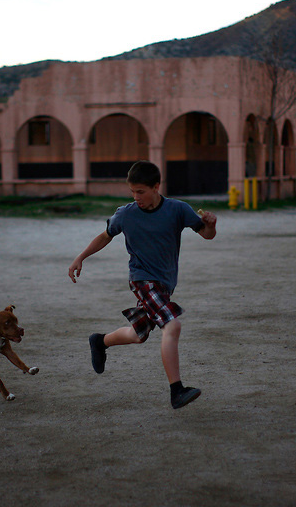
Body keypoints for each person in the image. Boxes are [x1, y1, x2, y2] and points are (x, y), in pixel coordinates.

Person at [67, 160, 217, 409]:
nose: (136, 197)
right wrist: (80, 257)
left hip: (165, 284)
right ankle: (176, 390)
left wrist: (211, 225)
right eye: (132, 192)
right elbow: (105, 236)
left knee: (139, 335)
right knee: (172, 324)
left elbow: (207, 234)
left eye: (141, 191)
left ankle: (100, 341)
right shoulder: (126, 214)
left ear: (156, 186)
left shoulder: (178, 210)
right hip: (142, 279)